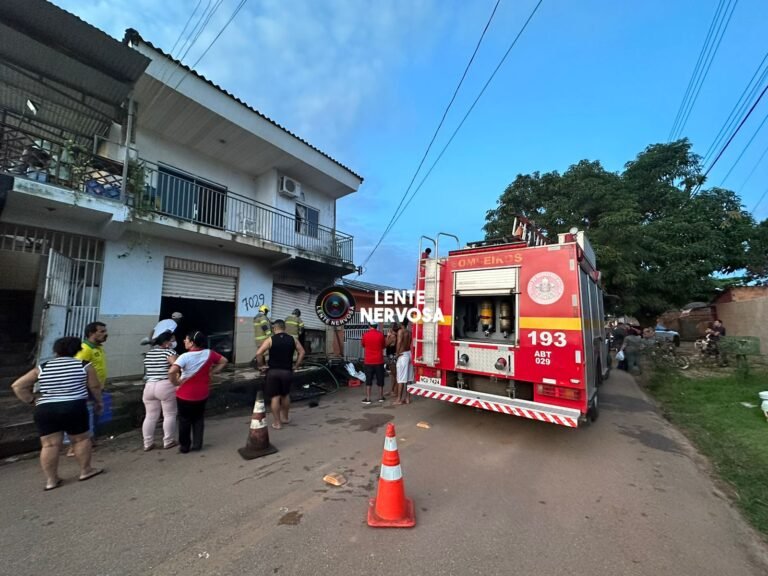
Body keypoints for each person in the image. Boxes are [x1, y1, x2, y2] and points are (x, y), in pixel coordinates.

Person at [11, 336, 104, 490]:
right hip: (74, 406)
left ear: (56, 351)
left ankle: (51, 480)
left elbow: (18, 386)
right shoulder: (84, 365)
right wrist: (99, 402)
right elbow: (94, 387)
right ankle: (85, 471)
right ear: (78, 350)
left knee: (49, 445)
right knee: (80, 440)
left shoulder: (43, 367)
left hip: (46, 409)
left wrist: (32, 401)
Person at [169, 331, 228, 453]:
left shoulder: (184, 356)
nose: (184, 341)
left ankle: (185, 446)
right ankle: (197, 444)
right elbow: (224, 361)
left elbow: (171, 371)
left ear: (192, 343)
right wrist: (212, 372)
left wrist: (175, 383)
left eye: (186, 339)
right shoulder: (209, 353)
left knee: (184, 420)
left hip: (184, 394)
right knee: (198, 419)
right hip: (202, 393)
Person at [255, 319, 306, 429]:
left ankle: (277, 423)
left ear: (274, 328)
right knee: (285, 395)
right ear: (284, 328)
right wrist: (296, 366)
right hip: (287, 371)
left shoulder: (270, 339)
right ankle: (285, 418)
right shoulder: (293, 339)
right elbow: (302, 352)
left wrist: (261, 366)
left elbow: (259, 353)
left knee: (275, 397)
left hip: (273, 372)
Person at [66, 321, 108, 455]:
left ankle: (91, 441)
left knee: (95, 415)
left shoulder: (98, 348)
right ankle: (74, 447)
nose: (105, 334)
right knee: (84, 417)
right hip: (87, 389)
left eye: (104, 331)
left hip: (97, 387)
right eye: (101, 331)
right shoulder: (84, 349)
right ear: (91, 333)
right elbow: (77, 370)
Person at [141, 331, 179, 451]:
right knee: (169, 414)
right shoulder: (169, 352)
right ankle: (168, 441)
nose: (174, 342)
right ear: (166, 342)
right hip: (165, 385)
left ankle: (147, 443)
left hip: (149, 386)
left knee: (150, 416)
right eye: (172, 340)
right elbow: (176, 366)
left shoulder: (149, 353)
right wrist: (177, 380)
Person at [360, 322, 386, 404]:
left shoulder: (365, 335)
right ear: (376, 326)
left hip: (368, 361)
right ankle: (381, 397)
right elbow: (383, 346)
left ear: (369, 326)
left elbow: (363, 345)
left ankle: (368, 399)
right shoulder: (381, 335)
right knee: (380, 379)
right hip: (379, 360)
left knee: (368, 379)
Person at [393, 318, 414, 405]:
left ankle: (399, 400)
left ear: (401, 323)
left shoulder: (401, 331)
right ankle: (407, 398)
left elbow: (399, 342)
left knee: (401, 379)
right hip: (409, 354)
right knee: (408, 378)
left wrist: (397, 354)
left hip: (403, 355)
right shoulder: (409, 332)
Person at [384, 322, 400, 396]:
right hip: (392, 356)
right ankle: (392, 390)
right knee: (392, 375)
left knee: (395, 375)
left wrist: (387, 336)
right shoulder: (396, 335)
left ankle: (395, 391)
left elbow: (386, 344)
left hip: (392, 357)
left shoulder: (392, 336)